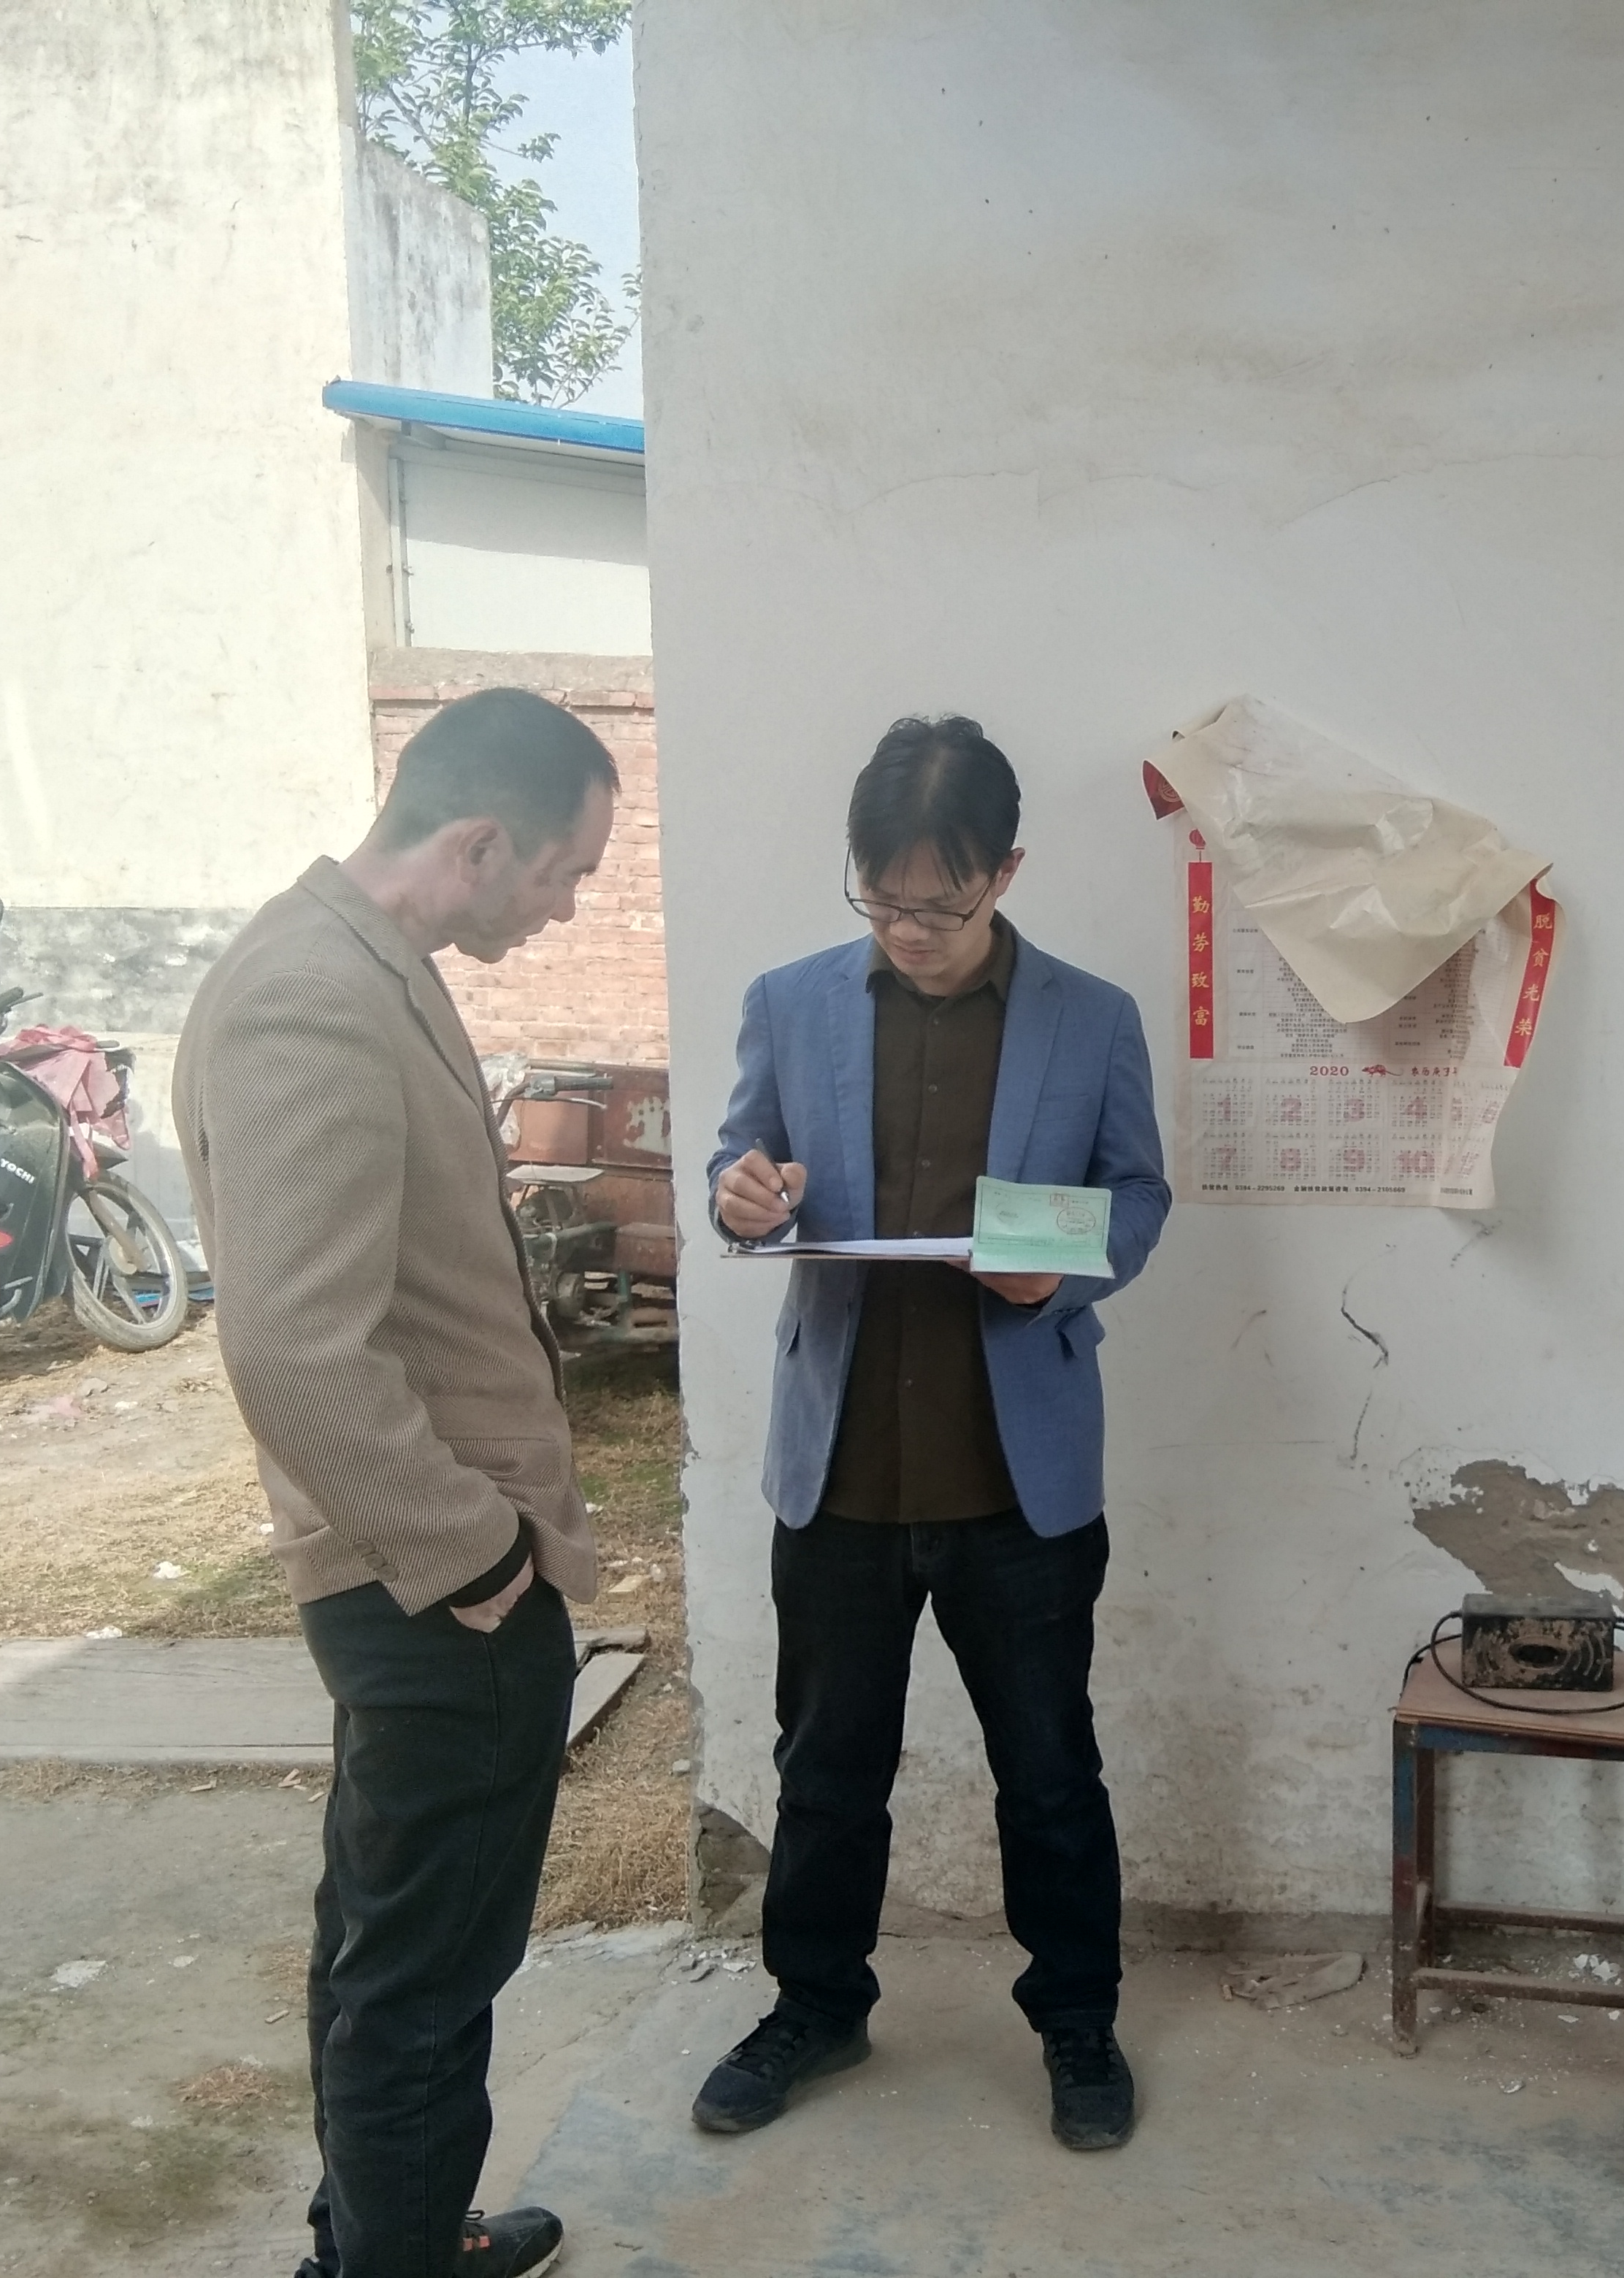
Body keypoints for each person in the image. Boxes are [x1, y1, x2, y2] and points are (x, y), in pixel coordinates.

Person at [174, 687, 617, 2278]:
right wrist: (479, 1560)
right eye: (563, 873)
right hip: (431, 1588)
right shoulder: (313, 995)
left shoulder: (369, 963)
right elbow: (294, 1348)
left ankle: (380, 2241)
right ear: (480, 842)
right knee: (422, 1980)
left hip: (423, 1576)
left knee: (387, 1949)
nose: (567, 907)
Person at [694, 715, 1170, 2153]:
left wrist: (1060, 1270)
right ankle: (815, 2007)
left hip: (1015, 1476)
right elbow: (738, 1164)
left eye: (941, 904)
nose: (908, 930)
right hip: (838, 1465)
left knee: (1050, 1776)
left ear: (1005, 873)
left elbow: (1136, 1196)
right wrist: (743, 1197)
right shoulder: (790, 1002)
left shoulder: (1091, 1018)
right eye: (882, 898)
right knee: (826, 1773)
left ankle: (1077, 2022)